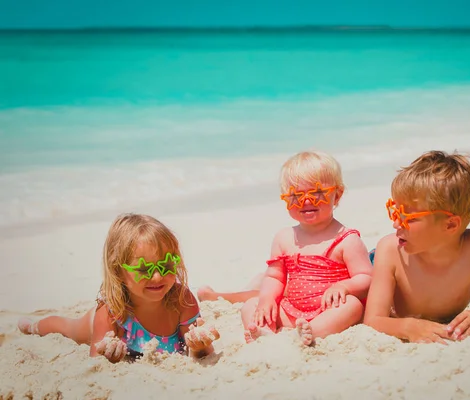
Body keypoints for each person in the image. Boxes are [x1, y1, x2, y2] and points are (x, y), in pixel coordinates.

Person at [18, 213, 220, 363]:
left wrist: (200, 345)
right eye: (143, 268)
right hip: (97, 320)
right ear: (118, 271)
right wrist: (109, 355)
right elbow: (96, 362)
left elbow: (202, 354)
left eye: (166, 265)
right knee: (68, 328)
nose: (157, 276)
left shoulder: (182, 301)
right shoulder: (110, 312)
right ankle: (33, 326)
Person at [364, 150, 470, 344]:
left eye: (407, 217)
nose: (396, 224)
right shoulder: (390, 251)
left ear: (450, 225)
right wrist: (408, 326)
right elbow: (373, 321)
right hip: (373, 266)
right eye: (395, 212)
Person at [240, 150, 373, 346]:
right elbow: (274, 277)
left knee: (352, 306)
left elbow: (367, 277)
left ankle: (313, 332)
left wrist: (344, 286)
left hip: (329, 310)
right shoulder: (284, 238)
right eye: (296, 195)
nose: (306, 201)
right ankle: (265, 332)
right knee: (250, 306)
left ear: (337, 195)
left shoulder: (346, 239)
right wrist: (267, 299)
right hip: (291, 310)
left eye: (317, 193)